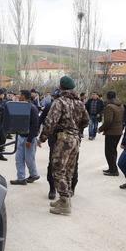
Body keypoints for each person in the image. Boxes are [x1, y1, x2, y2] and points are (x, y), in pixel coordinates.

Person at [38, 76, 89, 215]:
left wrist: (42, 138)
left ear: (60, 87)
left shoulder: (59, 102)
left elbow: (50, 122)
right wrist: (77, 130)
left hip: (64, 138)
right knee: (68, 170)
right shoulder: (80, 103)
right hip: (76, 139)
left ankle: (65, 201)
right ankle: (64, 200)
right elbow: (86, 121)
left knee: (57, 170)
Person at [9, 90, 41, 186]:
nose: (18, 96)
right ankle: (21, 178)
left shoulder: (32, 108)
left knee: (29, 159)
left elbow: (35, 125)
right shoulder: (21, 107)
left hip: (29, 138)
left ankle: (34, 175)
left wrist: (30, 139)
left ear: (24, 96)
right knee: (19, 158)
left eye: (20, 95)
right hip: (21, 136)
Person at [98, 90, 123, 177]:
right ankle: (112, 168)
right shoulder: (120, 105)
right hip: (119, 131)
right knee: (113, 151)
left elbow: (108, 121)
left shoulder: (109, 107)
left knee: (109, 152)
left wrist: (100, 129)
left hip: (111, 132)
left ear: (108, 97)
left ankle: (113, 170)